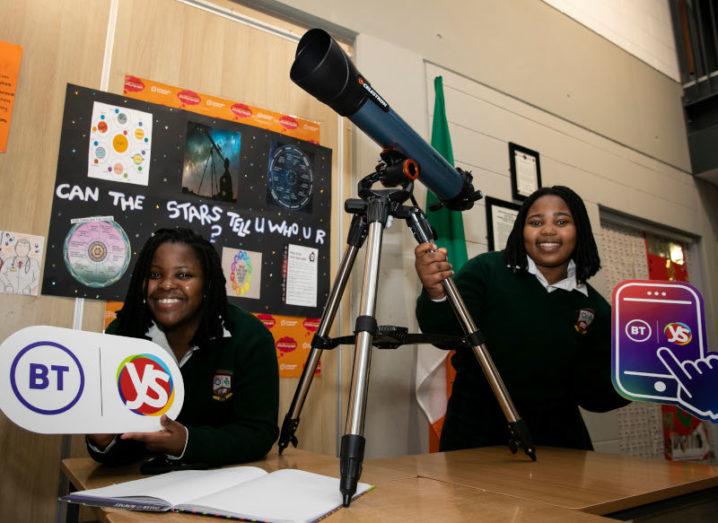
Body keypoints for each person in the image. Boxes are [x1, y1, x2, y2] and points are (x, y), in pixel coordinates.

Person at [415, 186, 628, 451]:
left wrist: (637, 377)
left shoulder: (595, 308)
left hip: (559, 448)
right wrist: (436, 292)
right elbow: (443, 333)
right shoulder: (487, 270)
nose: (548, 230)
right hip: (474, 440)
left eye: (562, 221)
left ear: (580, 231)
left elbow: (594, 397)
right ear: (521, 231)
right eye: (536, 222)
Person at [87, 227, 279, 467]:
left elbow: (258, 432)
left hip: (223, 483)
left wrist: (187, 443)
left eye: (184, 275)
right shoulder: (123, 334)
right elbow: (116, 445)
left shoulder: (250, 337)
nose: (166, 284)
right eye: (155, 275)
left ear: (208, 284)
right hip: (138, 485)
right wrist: (103, 442)